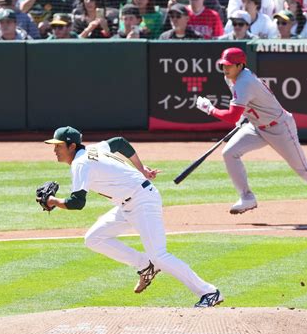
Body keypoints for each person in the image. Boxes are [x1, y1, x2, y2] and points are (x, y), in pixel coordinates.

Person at [41, 126, 223, 308]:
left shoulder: (81, 163)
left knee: (159, 255)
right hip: (127, 203)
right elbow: (120, 142)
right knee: (94, 239)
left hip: (143, 202)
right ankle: (145, 265)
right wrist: (141, 168)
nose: (55, 150)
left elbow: (77, 202)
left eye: (58, 146)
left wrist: (52, 201)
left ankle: (209, 292)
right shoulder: (93, 149)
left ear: (72, 146)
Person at [195, 48, 307, 222]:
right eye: (223, 65)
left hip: (280, 128)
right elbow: (245, 106)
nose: (225, 69)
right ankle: (247, 197)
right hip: (257, 127)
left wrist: (210, 109)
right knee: (229, 153)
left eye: (229, 66)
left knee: (303, 169)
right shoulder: (230, 78)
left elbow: (232, 116)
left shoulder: (245, 81)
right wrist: (245, 116)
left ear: (240, 65)